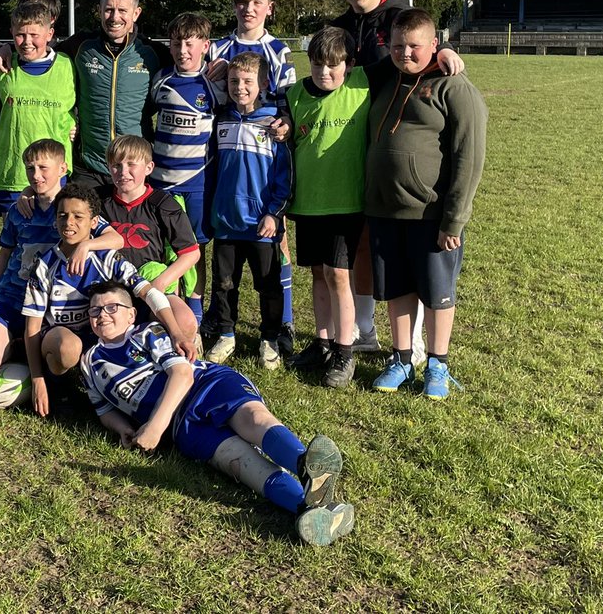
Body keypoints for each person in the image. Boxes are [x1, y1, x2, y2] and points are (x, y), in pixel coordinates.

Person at [79, 281, 355, 546]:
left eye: (112, 307)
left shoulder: (147, 332)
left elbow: (182, 374)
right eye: (95, 310)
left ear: (131, 314)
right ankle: (311, 511)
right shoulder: (90, 361)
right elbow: (103, 409)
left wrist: (154, 427)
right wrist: (122, 429)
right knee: (242, 464)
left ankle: (304, 464)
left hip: (206, 385)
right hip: (182, 426)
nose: (102, 315)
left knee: (253, 419)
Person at [330, 0, 464, 360]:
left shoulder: (400, 17)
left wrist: (443, 52)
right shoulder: (341, 25)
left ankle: (416, 340)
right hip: (352, 143)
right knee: (363, 244)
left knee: (403, 252)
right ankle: (365, 328)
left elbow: (421, 46)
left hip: (400, 145)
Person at [365, 8, 487, 400]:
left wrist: (454, 220)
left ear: (434, 45)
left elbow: (470, 157)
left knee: (437, 293)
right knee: (397, 289)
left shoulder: (453, 86)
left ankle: (438, 363)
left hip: (431, 214)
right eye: (398, 45)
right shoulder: (386, 78)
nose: (405, 53)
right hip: (385, 209)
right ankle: (402, 359)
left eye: (415, 46)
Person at [23, 183, 173, 418]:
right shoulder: (44, 266)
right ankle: (62, 389)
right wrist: (38, 379)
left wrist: (177, 332)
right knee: (67, 348)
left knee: (170, 320)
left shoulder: (107, 258)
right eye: (62, 215)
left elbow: (147, 292)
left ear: (94, 223)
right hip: (63, 340)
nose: (69, 222)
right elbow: (32, 329)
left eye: (78, 216)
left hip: (101, 340)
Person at [0, 139, 122, 373]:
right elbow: (4, 254)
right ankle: (18, 347)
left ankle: (33, 357)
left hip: (50, 302)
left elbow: (117, 239)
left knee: (56, 352)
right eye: (30, 168)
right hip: (14, 295)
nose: (36, 176)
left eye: (43, 168)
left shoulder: (71, 208)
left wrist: (86, 246)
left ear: (63, 169)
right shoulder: (20, 209)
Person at [284, 26, 370, 388]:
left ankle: (345, 350)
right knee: (318, 273)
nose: (325, 73)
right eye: (318, 65)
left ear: (349, 65)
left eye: (334, 66)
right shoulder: (294, 95)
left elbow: (407, 60)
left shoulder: (362, 85)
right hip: (308, 202)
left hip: (345, 202)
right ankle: (321, 342)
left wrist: (445, 53)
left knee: (339, 275)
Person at [203, 52, 294, 369]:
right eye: (233, 81)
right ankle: (226, 334)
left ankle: (269, 339)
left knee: (268, 284)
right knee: (224, 284)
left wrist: (273, 213)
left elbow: (285, 176)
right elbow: (213, 171)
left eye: (247, 81)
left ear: (264, 84)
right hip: (227, 222)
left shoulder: (275, 124)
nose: (239, 87)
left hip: (261, 224)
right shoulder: (222, 120)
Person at [55, 0, 168, 188]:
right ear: (99, 11)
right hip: (89, 169)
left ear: (136, 13)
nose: (115, 17)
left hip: (133, 168)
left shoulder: (153, 53)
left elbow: (191, 65)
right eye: (108, 10)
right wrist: (6, 51)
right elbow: (38, 53)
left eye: (122, 10)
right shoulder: (80, 46)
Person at [150, 12, 224, 326]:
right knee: (167, 247)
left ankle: (196, 308)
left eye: (190, 44)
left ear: (205, 46)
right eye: (177, 43)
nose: (183, 50)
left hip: (197, 183)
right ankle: (172, 307)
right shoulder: (161, 79)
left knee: (196, 249)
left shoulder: (216, 84)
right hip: (162, 182)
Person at [98, 135, 200, 358]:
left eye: (131, 164)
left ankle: (173, 367)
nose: (123, 171)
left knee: (185, 322)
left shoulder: (162, 204)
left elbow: (191, 253)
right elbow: (61, 200)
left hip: (153, 283)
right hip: (112, 286)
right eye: (116, 165)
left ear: (149, 167)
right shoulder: (98, 201)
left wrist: (159, 284)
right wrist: (28, 195)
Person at [0, 0, 76, 210]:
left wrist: (75, 122)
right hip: (14, 173)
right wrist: (1, 49)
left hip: (54, 175)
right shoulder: (4, 64)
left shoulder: (67, 64)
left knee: (55, 239)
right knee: (15, 240)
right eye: (20, 35)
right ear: (12, 32)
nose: (27, 42)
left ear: (49, 34)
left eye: (34, 35)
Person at [209, 0, 297, 104]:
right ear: (234, 5)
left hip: (266, 123)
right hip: (225, 123)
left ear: (270, 8)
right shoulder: (216, 49)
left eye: (257, 2)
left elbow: (287, 102)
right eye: (243, 2)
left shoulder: (280, 52)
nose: (249, 9)